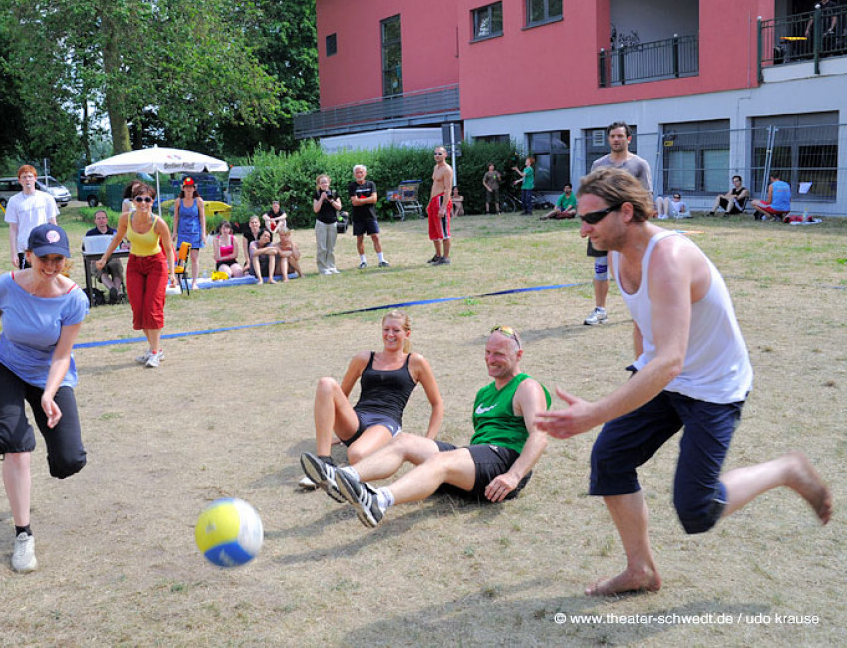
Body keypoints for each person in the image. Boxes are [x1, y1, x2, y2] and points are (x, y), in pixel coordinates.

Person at [535, 168, 832, 596]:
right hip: (667, 379)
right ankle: (641, 570)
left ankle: (787, 469)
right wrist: (639, 365)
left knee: (696, 510)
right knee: (610, 460)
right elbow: (646, 327)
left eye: (592, 218)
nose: (583, 229)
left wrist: (595, 413)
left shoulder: (670, 257)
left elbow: (671, 360)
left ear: (626, 211)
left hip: (714, 387)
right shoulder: (618, 252)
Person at [302, 325, 550, 528]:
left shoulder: (527, 386)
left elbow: (540, 436)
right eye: (487, 352)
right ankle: (341, 477)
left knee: (441, 461)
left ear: (518, 356)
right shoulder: (484, 393)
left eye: (499, 354)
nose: (490, 359)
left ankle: (379, 501)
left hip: (504, 462)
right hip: (477, 464)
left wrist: (513, 475)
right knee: (403, 441)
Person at [0, 223, 89, 573]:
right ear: (29, 255)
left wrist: (49, 395)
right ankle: (23, 535)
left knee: (69, 460)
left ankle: (55, 451)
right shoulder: (7, 285)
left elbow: (62, 356)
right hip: (6, 367)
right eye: (43, 259)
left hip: (48, 373)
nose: (51, 266)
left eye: (58, 259)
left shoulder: (74, 299)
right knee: (16, 443)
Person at [299, 310, 443, 491]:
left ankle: (344, 473)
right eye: (386, 329)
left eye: (396, 330)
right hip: (357, 419)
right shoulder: (364, 358)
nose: (390, 335)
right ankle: (324, 463)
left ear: (407, 334)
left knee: (356, 454)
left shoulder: (415, 362)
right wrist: (332, 434)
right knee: (326, 384)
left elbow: (437, 404)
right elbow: (339, 396)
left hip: (385, 423)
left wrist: (428, 442)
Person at [95, 182, 176, 368]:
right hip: (135, 264)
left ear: (152, 202)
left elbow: (169, 249)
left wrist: (172, 272)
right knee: (138, 309)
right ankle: (155, 348)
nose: (143, 203)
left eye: (147, 199)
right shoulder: (126, 219)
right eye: (139, 199)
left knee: (152, 308)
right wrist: (104, 258)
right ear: (133, 201)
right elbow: (116, 239)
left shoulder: (159, 223)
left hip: (156, 265)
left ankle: (155, 352)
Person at [584, 121, 653, 326]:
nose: (616, 139)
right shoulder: (598, 165)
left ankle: (643, 310)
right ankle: (600, 310)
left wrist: (642, 223)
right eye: (613, 136)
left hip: (629, 227)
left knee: (636, 269)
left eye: (620, 136)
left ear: (628, 139)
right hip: (603, 227)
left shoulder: (639, 165)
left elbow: (647, 195)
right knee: (600, 267)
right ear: (608, 139)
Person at [4, 164, 58, 269]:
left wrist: (56, 246)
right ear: (19, 180)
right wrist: (13, 253)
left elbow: (53, 224)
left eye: (30, 176)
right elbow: (13, 229)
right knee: (28, 281)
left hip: (44, 245)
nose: (27, 180)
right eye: (24, 177)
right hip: (24, 249)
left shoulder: (47, 198)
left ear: (35, 178)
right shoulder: (14, 201)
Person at [348, 164, 390, 268]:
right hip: (358, 217)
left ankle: (381, 260)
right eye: (357, 172)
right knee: (360, 238)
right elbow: (354, 203)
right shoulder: (352, 186)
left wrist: (360, 200)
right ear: (354, 174)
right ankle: (363, 261)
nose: (359, 174)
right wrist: (367, 200)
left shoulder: (371, 184)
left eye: (361, 172)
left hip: (370, 216)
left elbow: (374, 199)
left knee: (375, 237)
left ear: (365, 173)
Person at [172, 177, 207, 287]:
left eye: (190, 187)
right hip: (182, 232)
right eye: (186, 187)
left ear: (194, 188)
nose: (188, 189)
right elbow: (176, 217)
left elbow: (202, 218)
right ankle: (178, 280)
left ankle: (194, 282)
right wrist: (174, 232)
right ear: (183, 188)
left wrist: (203, 233)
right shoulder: (178, 201)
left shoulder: (198, 201)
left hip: (194, 232)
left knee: (194, 257)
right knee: (180, 257)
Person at [84, 210, 125, 304]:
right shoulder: (90, 234)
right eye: (99, 218)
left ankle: (114, 293)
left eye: (103, 218)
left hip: (113, 258)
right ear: (95, 221)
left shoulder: (114, 233)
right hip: (97, 260)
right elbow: (85, 248)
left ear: (107, 220)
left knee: (116, 267)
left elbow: (121, 245)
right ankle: (116, 292)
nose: (101, 220)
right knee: (101, 270)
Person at [427, 146, 454, 266]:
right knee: (434, 230)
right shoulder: (435, 168)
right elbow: (434, 186)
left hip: (441, 199)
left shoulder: (447, 169)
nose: (437, 155)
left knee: (443, 231)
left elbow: (448, 189)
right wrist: (430, 203)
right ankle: (438, 255)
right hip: (434, 200)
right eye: (435, 153)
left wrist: (443, 207)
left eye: (440, 153)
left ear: (445, 155)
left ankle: (446, 257)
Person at [313, 174, 342, 275]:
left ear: (329, 182)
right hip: (321, 223)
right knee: (322, 247)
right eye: (322, 182)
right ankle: (323, 268)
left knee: (331, 247)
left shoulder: (334, 193)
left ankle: (331, 266)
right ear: (319, 184)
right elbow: (316, 209)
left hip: (332, 222)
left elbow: (339, 207)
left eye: (326, 182)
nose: (324, 184)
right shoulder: (317, 193)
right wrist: (321, 198)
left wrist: (331, 200)